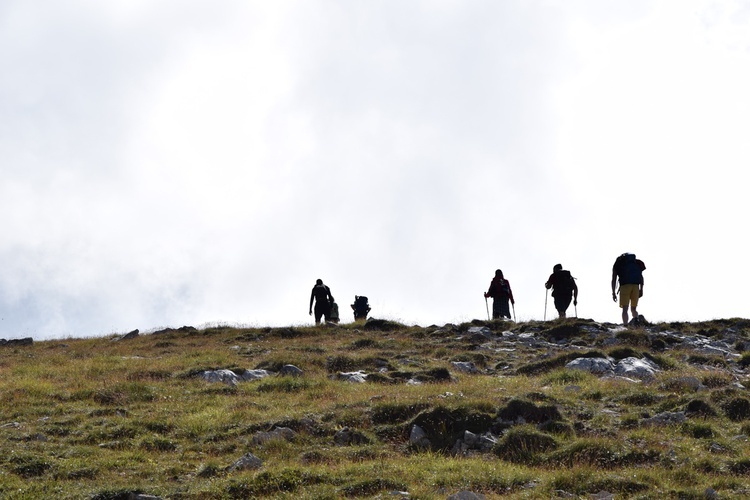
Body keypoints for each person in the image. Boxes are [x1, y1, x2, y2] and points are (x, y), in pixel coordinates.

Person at [611, 253, 646, 326]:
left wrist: (613, 293)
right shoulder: (635, 264)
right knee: (633, 309)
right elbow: (641, 277)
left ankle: (626, 325)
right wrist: (641, 289)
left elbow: (614, 279)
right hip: (635, 286)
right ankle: (636, 323)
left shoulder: (618, 264)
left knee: (625, 309)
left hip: (625, 286)